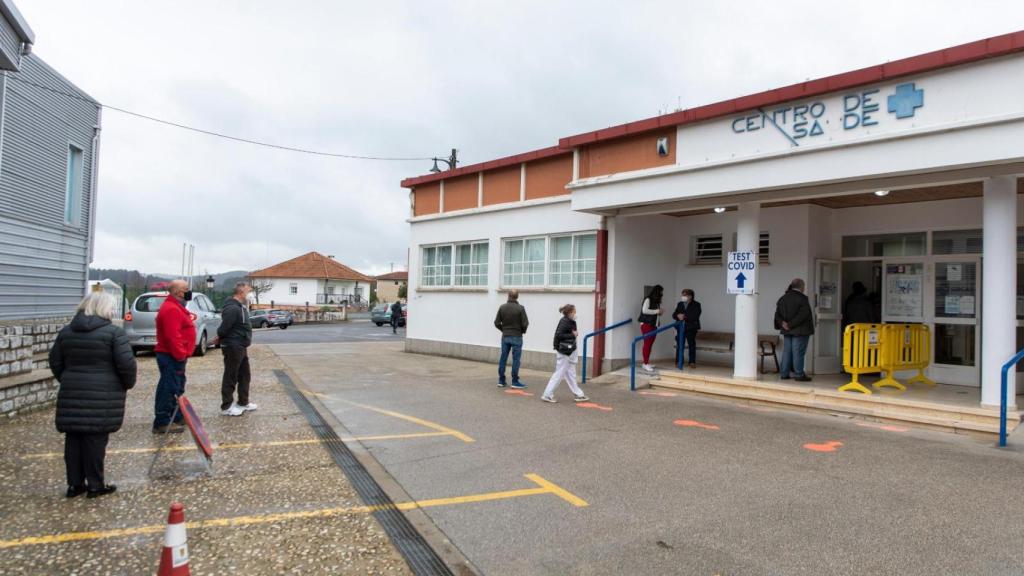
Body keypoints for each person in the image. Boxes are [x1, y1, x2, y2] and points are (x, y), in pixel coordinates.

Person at [50, 292, 136, 498]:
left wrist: (68, 379)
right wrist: (125, 384)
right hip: (103, 393)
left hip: (72, 389)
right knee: (96, 440)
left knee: (74, 439)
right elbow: (126, 365)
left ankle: (74, 484)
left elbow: (55, 361)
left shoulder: (66, 332)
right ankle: (95, 484)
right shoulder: (114, 333)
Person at [153, 279, 196, 433]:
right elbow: (173, 336)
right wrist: (180, 355)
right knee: (169, 388)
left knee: (177, 387)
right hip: (171, 356)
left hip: (174, 356)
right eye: (186, 289)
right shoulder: (172, 309)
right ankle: (162, 421)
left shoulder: (175, 307)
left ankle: (176, 416)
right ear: (179, 292)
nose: (188, 291)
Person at [217, 282, 256, 417]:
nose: (250, 294)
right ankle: (226, 406)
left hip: (241, 346)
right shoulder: (232, 308)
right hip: (233, 346)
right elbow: (223, 329)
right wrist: (223, 339)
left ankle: (243, 402)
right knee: (231, 376)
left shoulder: (241, 307)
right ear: (241, 292)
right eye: (248, 291)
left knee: (245, 375)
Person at [541, 304, 589, 403]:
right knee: (559, 374)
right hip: (565, 352)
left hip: (568, 352)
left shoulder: (569, 321)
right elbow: (559, 335)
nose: (575, 313)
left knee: (571, 374)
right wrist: (573, 334)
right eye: (574, 311)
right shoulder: (565, 321)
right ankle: (547, 394)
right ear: (570, 312)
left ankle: (578, 394)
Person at [774, 278, 815, 382]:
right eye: (804, 286)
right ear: (801, 287)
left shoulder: (783, 298)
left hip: (787, 331)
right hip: (800, 331)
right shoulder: (803, 298)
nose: (804, 288)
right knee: (798, 352)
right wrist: (791, 325)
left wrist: (783, 324)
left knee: (787, 352)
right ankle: (799, 374)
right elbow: (803, 315)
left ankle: (784, 373)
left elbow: (777, 314)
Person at [494, 289, 529, 389]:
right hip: (517, 336)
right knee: (516, 360)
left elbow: (496, 323)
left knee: (503, 358)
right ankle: (515, 381)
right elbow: (525, 323)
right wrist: (522, 331)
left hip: (505, 336)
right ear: (517, 297)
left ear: (508, 296)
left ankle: (501, 380)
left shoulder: (502, 307)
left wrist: (504, 330)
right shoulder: (520, 308)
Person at [672, 288, 702, 368]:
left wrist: (684, 316)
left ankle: (692, 362)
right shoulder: (680, 304)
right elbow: (674, 314)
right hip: (680, 328)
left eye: (685, 295)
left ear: (690, 296)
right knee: (679, 344)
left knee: (691, 344)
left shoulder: (697, 304)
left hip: (691, 328)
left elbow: (695, 316)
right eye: (682, 295)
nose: (683, 297)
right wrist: (677, 315)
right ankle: (678, 361)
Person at [638, 285, 664, 373]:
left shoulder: (657, 302)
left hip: (654, 325)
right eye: (661, 292)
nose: (662, 294)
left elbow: (654, 313)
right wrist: (657, 311)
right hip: (646, 324)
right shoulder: (648, 299)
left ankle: (646, 362)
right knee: (647, 344)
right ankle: (645, 364)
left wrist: (659, 315)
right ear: (657, 292)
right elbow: (644, 310)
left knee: (650, 344)